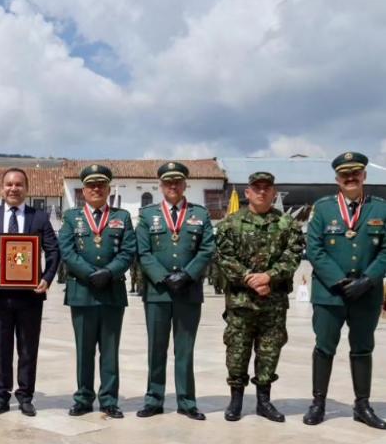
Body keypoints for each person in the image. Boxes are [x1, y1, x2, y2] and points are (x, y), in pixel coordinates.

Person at [0, 168, 60, 417]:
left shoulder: (38, 217)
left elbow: (53, 251)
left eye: (19, 184)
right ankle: (0, 397)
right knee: (0, 348)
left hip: (30, 295)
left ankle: (26, 396)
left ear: (26, 189)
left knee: (28, 348)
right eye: (9, 184)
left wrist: (47, 278)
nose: (13, 189)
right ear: (2, 188)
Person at [304, 151, 386, 429]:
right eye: (345, 174)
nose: (350, 178)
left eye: (355, 173)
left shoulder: (380, 209)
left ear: (364, 175)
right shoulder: (323, 208)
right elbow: (313, 248)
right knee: (324, 348)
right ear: (337, 178)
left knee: (362, 349)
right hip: (330, 294)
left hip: (367, 294)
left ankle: (362, 405)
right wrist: (339, 281)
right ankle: (318, 403)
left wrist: (368, 280)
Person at [215, 172, 304, 422]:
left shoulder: (287, 224)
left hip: (273, 302)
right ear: (247, 192)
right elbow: (224, 257)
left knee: (269, 351)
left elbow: (293, 255)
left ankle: (264, 401)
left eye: (267, 188)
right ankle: (236, 400)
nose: (262, 192)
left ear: (274, 192)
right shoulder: (230, 224)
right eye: (257, 188)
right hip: (241, 302)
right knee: (237, 350)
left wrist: (269, 277)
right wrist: (250, 279)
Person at [135, 161, 215, 420]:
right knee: (156, 348)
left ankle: (187, 401)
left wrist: (188, 274)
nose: (172, 186)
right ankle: (154, 399)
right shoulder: (148, 215)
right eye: (168, 182)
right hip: (158, 292)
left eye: (177, 182)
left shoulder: (200, 214)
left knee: (185, 349)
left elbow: (207, 249)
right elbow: (143, 252)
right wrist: (163, 277)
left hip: (188, 292)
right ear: (161, 186)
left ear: (184, 185)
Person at [58, 164, 136, 418]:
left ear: (108, 189)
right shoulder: (72, 217)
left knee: (110, 350)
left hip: (112, 291)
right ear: (83, 190)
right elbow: (67, 251)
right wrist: (90, 273)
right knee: (84, 349)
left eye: (101, 185)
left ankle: (109, 399)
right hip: (82, 291)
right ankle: (83, 397)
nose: (96, 189)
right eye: (91, 185)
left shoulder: (122, 217)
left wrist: (110, 272)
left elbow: (128, 251)